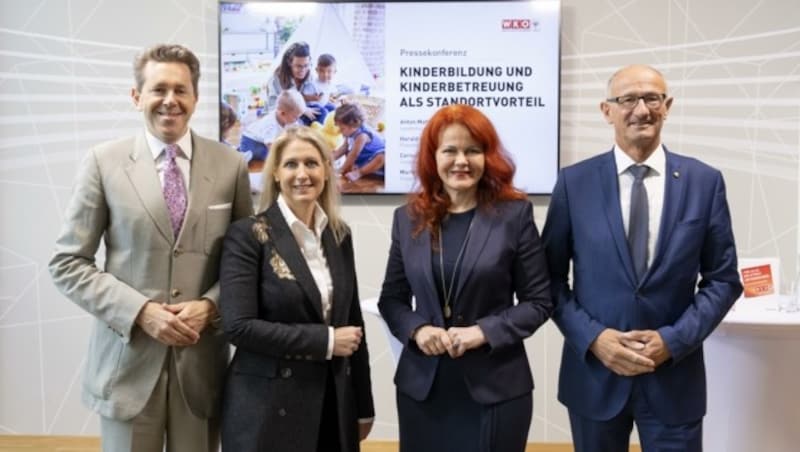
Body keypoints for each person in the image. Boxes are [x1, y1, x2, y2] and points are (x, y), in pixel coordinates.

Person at [48, 44, 253, 452]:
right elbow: (68, 263)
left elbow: (246, 264)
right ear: (136, 96)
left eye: (181, 89)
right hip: (127, 366)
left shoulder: (231, 165)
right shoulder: (102, 163)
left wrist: (211, 307)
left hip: (201, 365)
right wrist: (139, 312)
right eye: (159, 89)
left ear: (196, 97)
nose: (170, 101)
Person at [542, 64, 743, 452]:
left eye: (652, 98)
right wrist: (595, 339)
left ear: (667, 106)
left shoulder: (705, 182)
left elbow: (723, 280)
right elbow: (547, 280)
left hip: (673, 378)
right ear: (607, 110)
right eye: (628, 99)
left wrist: (673, 340)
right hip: (595, 378)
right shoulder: (574, 183)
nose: (641, 109)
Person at [377, 104, 552, 452]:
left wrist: (482, 331)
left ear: (488, 157)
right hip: (423, 388)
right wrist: (418, 330)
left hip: (497, 387)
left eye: (473, 150)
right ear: (433, 157)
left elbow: (539, 302)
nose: (462, 161)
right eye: (450, 150)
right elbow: (392, 298)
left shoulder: (514, 216)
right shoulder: (407, 218)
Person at [218, 126, 375, 452]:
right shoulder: (247, 235)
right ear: (275, 172)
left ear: (326, 170)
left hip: (333, 403)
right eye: (291, 164)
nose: (302, 174)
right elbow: (238, 327)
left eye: (311, 163)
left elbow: (353, 323)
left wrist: (364, 406)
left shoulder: (338, 234)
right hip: (268, 408)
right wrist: (326, 341)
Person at [239, 89, 304, 161]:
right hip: (250, 141)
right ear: (282, 114)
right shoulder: (271, 125)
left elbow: (297, 130)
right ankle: (245, 154)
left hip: (262, 139)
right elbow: (271, 146)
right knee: (269, 155)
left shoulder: (285, 117)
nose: (297, 120)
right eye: (295, 117)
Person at [332, 102, 385, 182]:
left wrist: (340, 170)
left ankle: (359, 173)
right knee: (348, 153)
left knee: (382, 157)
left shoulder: (362, 136)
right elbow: (343, 148)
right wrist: (329, 158)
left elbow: (354, 155)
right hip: (365, 160)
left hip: (379, 164)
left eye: (342, 128)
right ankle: (359, 170)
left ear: (353, 124)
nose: (340, 131)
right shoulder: (349, 133)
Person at [267, 41, 319, 121]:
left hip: (302, 112)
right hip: (284, 118)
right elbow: (273, 109)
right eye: (299, 66)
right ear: (289, 62)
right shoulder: (276, 80)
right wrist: (302, 109)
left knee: (325, 110)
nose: (303, 70)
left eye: (306, 65)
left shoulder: (309, 75)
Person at [300, 53, 338, 126]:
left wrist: (336, 99)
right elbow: (302, 97)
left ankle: (331, 128)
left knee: (333, 108)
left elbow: (334, 95)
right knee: (324, 112)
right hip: (310, 109)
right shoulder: (313, 84)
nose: (325, 74)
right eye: (322, 71)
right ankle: (318, 131)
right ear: (317, 70)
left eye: (329, 71)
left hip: (322, 105)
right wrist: (312, 98)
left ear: (334, 72)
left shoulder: (330, 84)